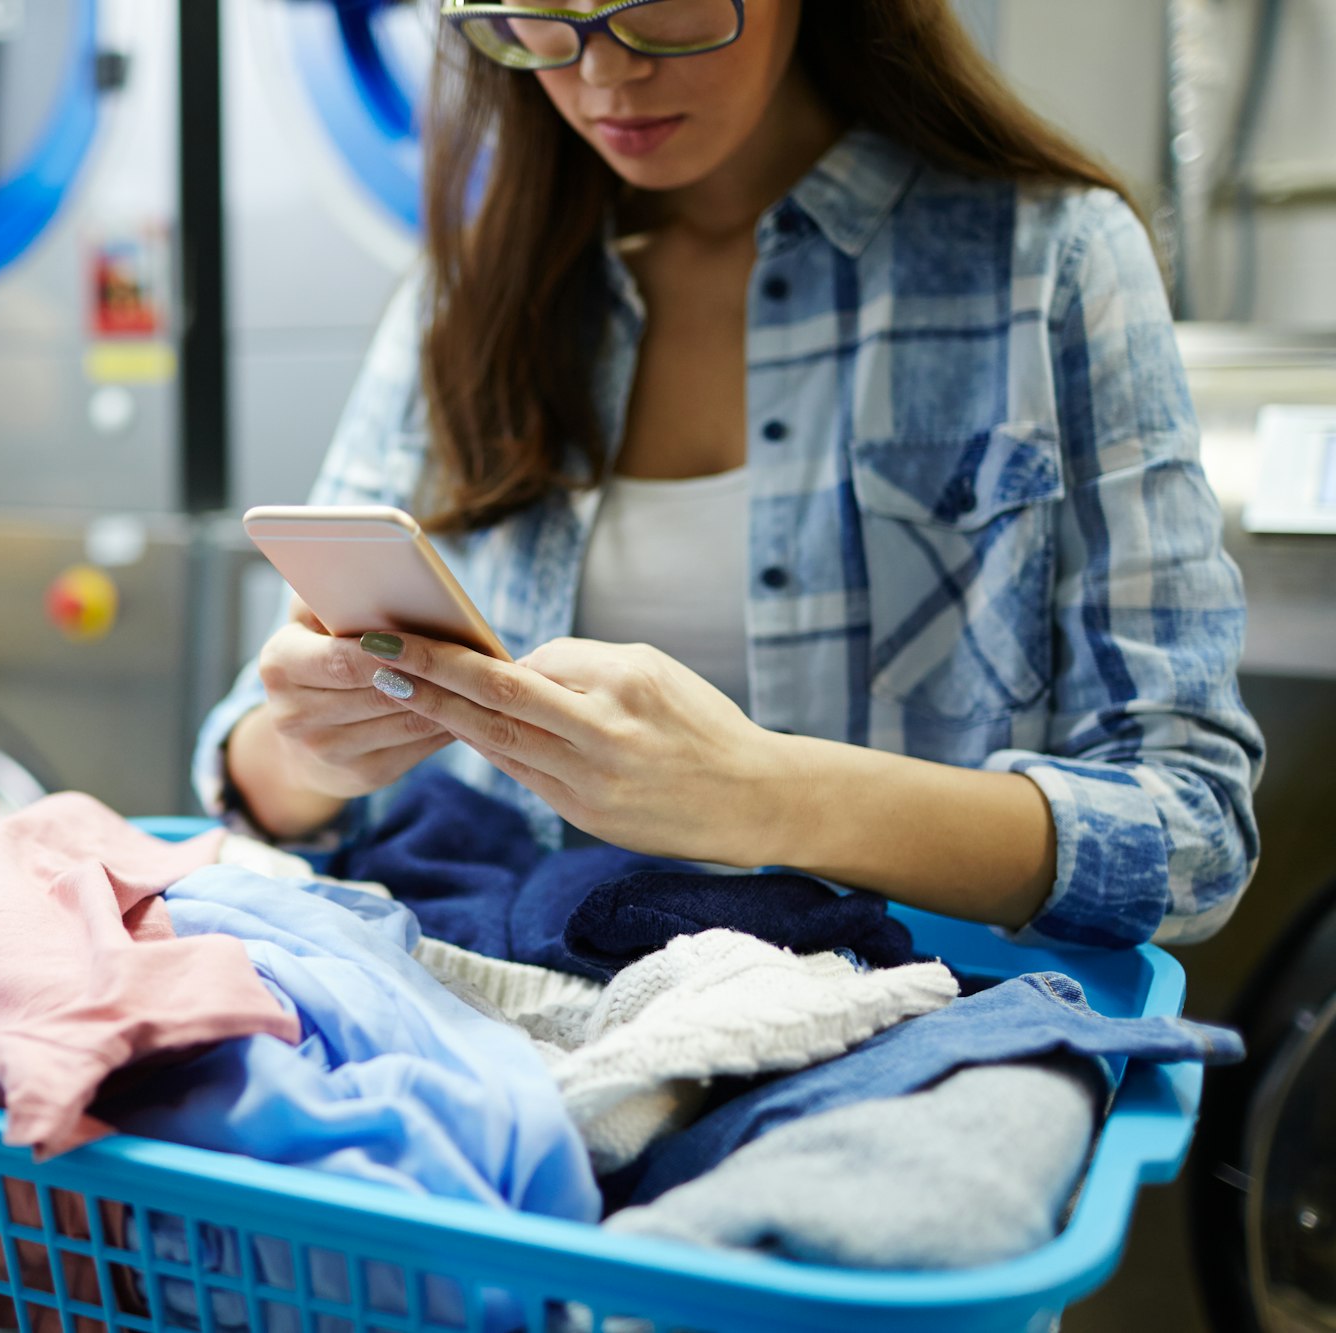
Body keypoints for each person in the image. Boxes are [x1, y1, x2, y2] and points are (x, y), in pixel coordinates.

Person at [196, 0, 1264, 948]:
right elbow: (256, 749)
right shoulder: (466, 290)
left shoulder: (1048, 264)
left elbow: (1190, 833)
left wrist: (764, 794)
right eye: (539, 19)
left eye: (657, 8)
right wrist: (310, 758)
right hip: (514, 1016)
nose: (603, 78)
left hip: (908, 1028)